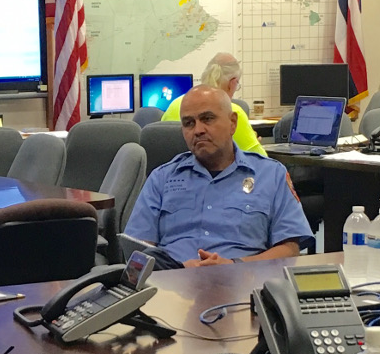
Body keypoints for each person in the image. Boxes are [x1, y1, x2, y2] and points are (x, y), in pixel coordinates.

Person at [124, 85, 313, 269]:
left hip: (244, 285)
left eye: (207, 119)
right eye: (189, 123)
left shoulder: (271, 175)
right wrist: (178, 269)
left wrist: (233, 266)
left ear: (232, 123)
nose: (198, 130)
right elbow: (137, 251)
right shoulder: (161, 178)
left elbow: (289, 249)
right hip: (173, 288)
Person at [160, 53, 265, 156]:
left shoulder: (175, 104)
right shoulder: (231, 112)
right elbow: (261, 163)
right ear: (232, 83)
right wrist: (254, 143)